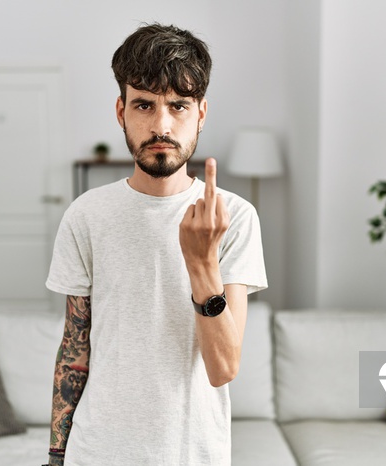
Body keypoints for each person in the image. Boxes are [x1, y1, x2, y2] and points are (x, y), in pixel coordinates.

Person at [44, 23, 267, 466]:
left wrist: (202, 263)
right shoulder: (85, 215)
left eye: (178, 106)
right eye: (144, 104)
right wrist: (56, 456)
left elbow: (223, 369)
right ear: (121, 110)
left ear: (201, 113)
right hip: (96, 452)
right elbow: (74, 350)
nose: (161, 125)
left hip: (191, 452)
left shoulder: (233, 217)